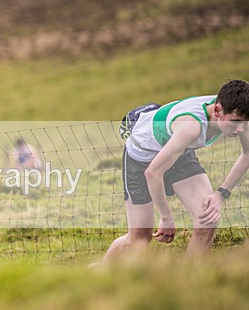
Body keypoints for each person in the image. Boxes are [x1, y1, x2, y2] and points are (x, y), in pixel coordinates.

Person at [103, 79, 249, 263]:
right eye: (236, 122)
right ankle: (101, 270)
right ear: (218, 110)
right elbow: (153, 173)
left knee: (207, 220)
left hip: (179, 153)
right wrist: (166, 216)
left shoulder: (239, 111)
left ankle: (190, 282)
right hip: (141, 160)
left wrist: (220, 195)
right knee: (139, 238)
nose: (242, 128)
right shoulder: (191, 126)